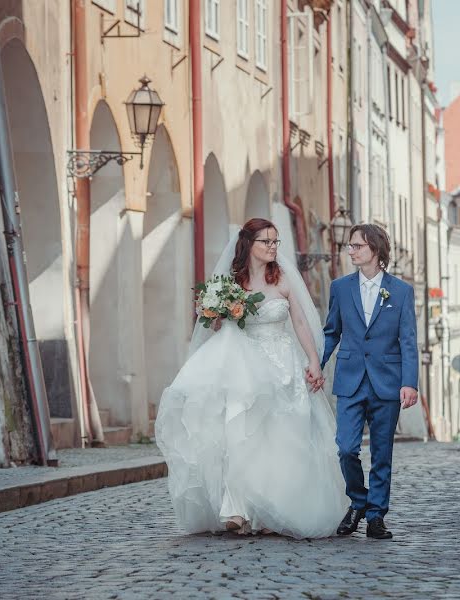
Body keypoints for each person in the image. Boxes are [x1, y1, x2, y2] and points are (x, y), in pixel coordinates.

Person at [155, 218, 347, 538]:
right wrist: (214, 311)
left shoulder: (283, 279)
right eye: (266, 242)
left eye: (275, 242)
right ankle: (237, 509)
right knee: (239, 434)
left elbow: (299, 322)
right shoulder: (230, 282)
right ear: (249, 245)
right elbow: (216, 327)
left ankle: (276, 508)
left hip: (283, 366)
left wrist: (313, 361)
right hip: (242, 367)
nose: (272, 247)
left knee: (282, 438)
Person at [319, 223, 419, 540]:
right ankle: (358, 502)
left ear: (375, 250)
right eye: (350, 246)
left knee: (381, 453)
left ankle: (376, 516)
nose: (351, 251)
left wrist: (410, 382)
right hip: (350, 380)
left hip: (387, 382)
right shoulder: (340, 288)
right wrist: (316, 365)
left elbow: (408, 340)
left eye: (357, 246)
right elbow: (331, 332)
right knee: (345, 448)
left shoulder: (401, 292)